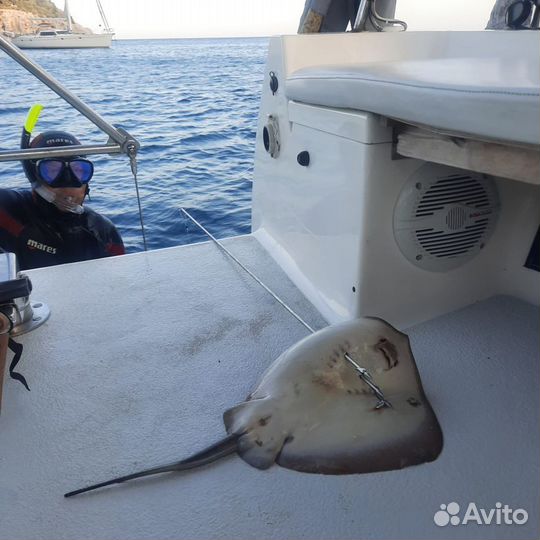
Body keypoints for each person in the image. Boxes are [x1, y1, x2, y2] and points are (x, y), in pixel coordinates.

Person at [0, 130, 125, 270]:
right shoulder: (9, 209)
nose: (68, 182)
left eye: (78, 170)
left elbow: (118, 280)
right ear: (34, 176)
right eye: (52, 170)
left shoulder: (102, 231)